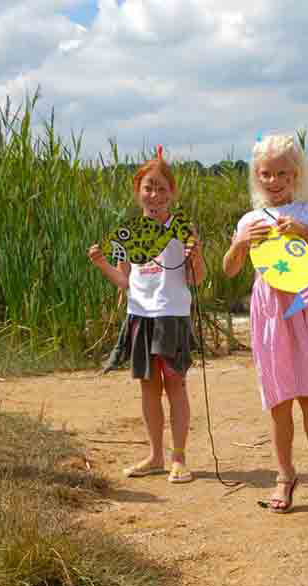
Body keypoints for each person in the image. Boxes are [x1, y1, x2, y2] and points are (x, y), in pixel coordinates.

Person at [223, 133, 308, 517]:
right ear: (257, 177)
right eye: (266, 174)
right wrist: (241, 242)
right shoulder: (249, 219)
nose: (273, 182)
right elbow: (230, 269)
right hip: (270, 311)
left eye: (282, 175)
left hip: (304, 308)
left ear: (296, 175)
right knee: (278, 398)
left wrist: (304, 233)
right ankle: (284, 473)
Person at [91, 147, 205, 484]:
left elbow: (196, 279)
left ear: (172, 193)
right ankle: (156, 455)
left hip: (172, 316)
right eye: (148, 187)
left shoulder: (182, 228)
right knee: (148, 387)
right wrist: (101, 263)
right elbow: (125, 281)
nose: (154, 195)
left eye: (161, 188)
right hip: (139, 316)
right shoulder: (127, 233)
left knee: (176, 385)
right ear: (138, 191)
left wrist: (196, 256)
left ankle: (179, 458)